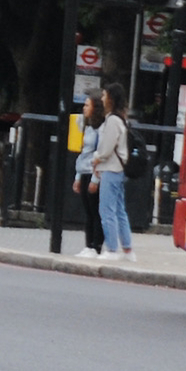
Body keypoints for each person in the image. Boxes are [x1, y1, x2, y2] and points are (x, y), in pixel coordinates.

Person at [92, 82, 134, 261]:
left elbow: (107, 148)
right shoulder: (122, 119)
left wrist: (97, 158)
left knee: (106, 210)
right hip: (119, 169)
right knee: (119, 210)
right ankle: (127, 249)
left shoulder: (112, 121)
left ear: (110, 98)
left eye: (104, 95)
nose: (102, 98)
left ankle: (112, 249)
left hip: (110, 168)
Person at [72, 94, 104, 256]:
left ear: (95, 108)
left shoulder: (101, 129)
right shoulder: (87, 127)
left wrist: (95, 179)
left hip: (93, 173)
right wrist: (77, 177)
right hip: (83, 170)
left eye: (87, 105)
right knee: (88, 211)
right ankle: (88, 244)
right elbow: (83, 152)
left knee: (95, 210)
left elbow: (99, 154)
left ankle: (96, 246)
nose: (84, 108)